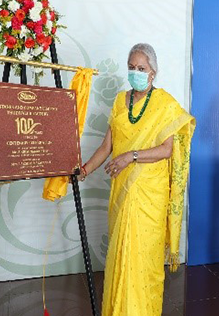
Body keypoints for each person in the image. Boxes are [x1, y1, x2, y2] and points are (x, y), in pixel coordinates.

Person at [79, 43, 195, 316]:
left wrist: (131, 156)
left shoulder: (164, 103)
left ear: (153, 72)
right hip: (122, 190)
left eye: (141, 68)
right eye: (131, 67)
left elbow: (167, 149)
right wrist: (85, 169)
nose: (135, 72)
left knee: (144, 261)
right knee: (121, 256)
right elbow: (107, 147)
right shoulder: (120, 101)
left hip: (149, 196)